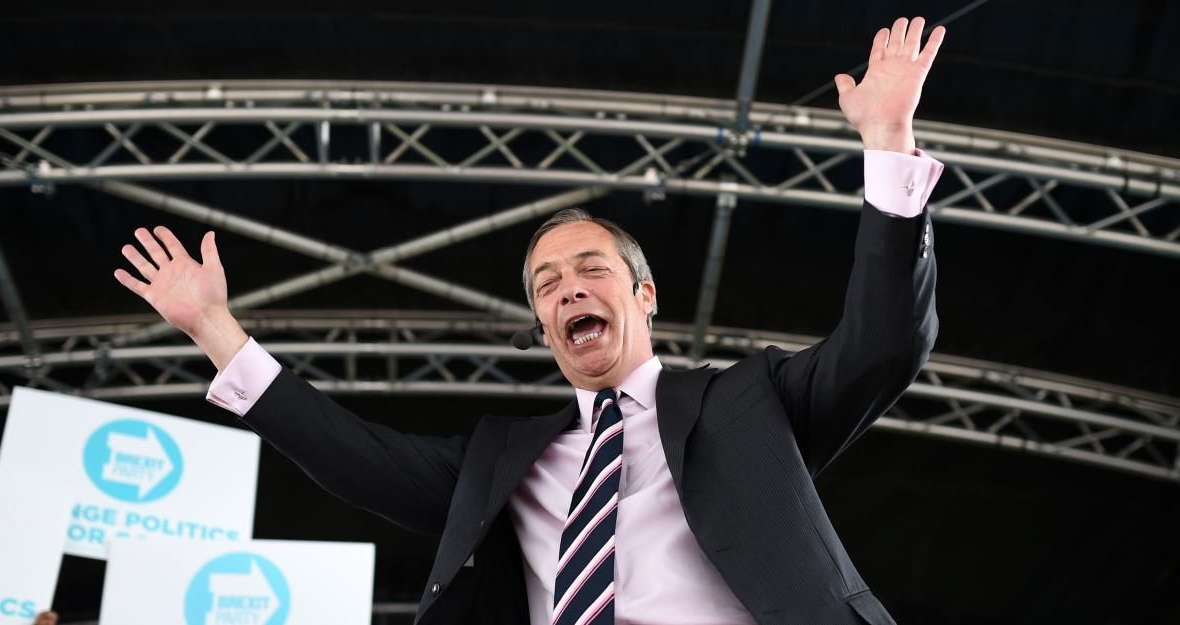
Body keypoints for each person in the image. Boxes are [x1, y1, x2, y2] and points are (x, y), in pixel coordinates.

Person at [115, 17, 945, 625]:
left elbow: (883, 344)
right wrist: (214, 329)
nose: (569, 290)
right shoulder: (502, 466)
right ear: (544, 327)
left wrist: (887, 142)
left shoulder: (749, 402)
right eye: (547, 285)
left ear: (645, 295)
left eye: (591, 270)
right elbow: (355, 457)